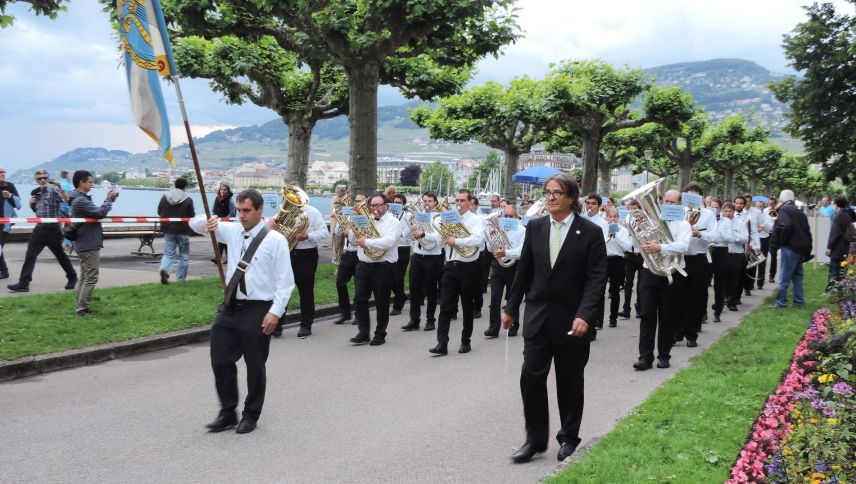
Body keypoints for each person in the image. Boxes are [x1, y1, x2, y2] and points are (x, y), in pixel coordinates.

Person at [502, 173, 607, 463]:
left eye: (556, 193)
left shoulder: (590, 232)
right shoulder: (535, 227)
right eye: (547, 192)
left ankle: (568, 437)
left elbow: (597, 279)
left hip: (572, 320)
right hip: (537, 316)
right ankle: (535, 440)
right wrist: (511, 308)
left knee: (569, 381)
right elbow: (524, 271)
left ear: (571, 198)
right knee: (531, 377)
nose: (550, 197)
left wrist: (586, 314)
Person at [190, 189, 295, 435]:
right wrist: (208, 222)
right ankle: (227, 412)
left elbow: (285, 282)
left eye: (247, 211)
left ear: (260, 210)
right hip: (231, 306)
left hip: (259, 308)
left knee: (255, 365)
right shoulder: (232, 230)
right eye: (239, 210)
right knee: (221, 360)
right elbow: (194, 224)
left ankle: (251, 414)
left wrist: (275, 313)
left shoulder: (275, 240)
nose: (242, 215)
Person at [634, 190, 691, 371]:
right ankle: (645, 357)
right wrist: (637, 229)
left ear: (679, 204)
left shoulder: (684, 224)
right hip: (649, 270)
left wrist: (661, 246)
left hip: (672, 272)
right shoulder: (651, 221)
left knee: (667, 316)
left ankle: (664, 356)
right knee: (646, 315)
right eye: (665, 201)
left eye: (672, 202)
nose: (669, 204)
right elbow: (637, 244)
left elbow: (684, 246)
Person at [427, 189, 485, 355]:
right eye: (456, 201)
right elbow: (440, 242)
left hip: (468, 267)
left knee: (467, 306)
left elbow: (478, 240)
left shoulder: (476, 220)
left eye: (462, 200)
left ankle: (465, 341)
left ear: (469, 202)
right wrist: (435, 234)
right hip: (450, 266)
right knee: (445, 306)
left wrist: (456, 240)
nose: (458, 204)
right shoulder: (448, 218)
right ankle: (442, 344)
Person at [273, 183, 328, 339]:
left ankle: (306, 325)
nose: (291, 199)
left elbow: (324, 232)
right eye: (289, 196)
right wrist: (272, 224)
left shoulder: (313, 212)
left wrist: (308, 236)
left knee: (305, 292)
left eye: (295, 195)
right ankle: (277, 326)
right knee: (283, 291)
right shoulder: (283, 212)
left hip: (306, 255)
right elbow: (274, 228)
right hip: (287, 254)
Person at [8, 170, 77, 293]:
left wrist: (60, 187)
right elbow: (39, 213)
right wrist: (31, 205)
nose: (42, 180)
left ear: (48, 178)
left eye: (44, 177)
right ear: (36, 180)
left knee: (61, 256)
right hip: (39, 229)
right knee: (30, 256)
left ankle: (72, 277)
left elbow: (66, 200)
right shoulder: (37, 194)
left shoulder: (54, 191)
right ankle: (24, 283)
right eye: (39, 178)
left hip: (53, 230)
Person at [348, 193, 399, 346]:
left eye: (378, 205)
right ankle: (363, 332)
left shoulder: (393, 222)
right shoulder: (365, 219)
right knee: (359, 299)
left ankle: (380, 334)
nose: (374, 208)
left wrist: (367, 242)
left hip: (383, 267)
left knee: (381, 302)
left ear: (386, 206)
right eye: (372, 205)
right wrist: (353, 228)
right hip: (363, 265)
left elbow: (388, 242)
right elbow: (352, 241)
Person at [68, 170, 118, 316]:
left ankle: (80, 304)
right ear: (81, 183)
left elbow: (96, 212)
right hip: (88, 242)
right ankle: (83, 309)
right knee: (91, 277)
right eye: (90, 181)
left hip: (84, 242)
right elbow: (100, 213)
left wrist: (109, 201)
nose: (92, 184)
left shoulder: (78, 198)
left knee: (85, 276)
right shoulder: (81, 201)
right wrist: (108, 199)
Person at [676, 183, 719, 347]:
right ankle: (677, 332)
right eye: (688, 195)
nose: (691, 199)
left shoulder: (708, 214)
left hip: (698, 258)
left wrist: (699, 233)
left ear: (700, 197)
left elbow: (715, 236)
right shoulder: (679, 211)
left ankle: (692, 334)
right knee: (678, 297)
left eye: (695, 195)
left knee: (695, 298)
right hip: (680, 258)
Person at [402, 191, 443, 332]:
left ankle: (430, 320)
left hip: (433, 257)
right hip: (418, 256)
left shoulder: (438, 218)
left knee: (431, 290)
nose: (426, 204)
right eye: (424, 201)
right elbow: (407, 237)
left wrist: (424, 233)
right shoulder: (418, 216)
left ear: (435, 202)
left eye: (429, 201)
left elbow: (439, 238)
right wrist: (412, 224)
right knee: (414, 289)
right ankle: (414, 320)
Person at [483, 204, 525, 337]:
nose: (507, 218)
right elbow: (490, 249)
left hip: (514, 267)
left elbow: (521, 251)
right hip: (497, 266)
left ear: (516, 217)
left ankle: (513, 325)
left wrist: (506, 252)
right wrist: (491, 238)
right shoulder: (497, 228)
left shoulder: (522, 230)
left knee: (513, 297)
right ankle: (493, 327)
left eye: (510, 216)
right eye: (505, 216)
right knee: (494, 298)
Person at [770, 189, 812, 308]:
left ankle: (781, 302)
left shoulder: (783, 210)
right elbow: (807, 231)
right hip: (801, 247)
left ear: (781, 200)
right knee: (797, 276)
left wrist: (781, 242)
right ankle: (799, 301)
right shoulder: (800, 212)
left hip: (790, 247)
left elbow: (785, 225)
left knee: (785, 276)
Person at [332, 192, 366, 325]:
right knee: (340, 283)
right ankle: (345, 313)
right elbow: (337, 233)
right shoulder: (350, 215)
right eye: (356, 201)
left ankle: (359, 314)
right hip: (348, 255)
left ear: (365, 203)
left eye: (360, 201)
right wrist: (342, 223)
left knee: (360, 287)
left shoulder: (368, 217)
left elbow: (363, 236)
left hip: (360, 255)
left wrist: (350, 232)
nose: (357, 203)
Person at [157, 177, 196, 284]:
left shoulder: (165, 197)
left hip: (168, 229)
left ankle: (164, 269)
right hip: (183, 230)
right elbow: (192, 216)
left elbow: (159, 210)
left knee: (168, 253)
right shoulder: (188, 200)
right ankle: (181, 279)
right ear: (185, 187)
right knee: (184, 255)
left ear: (175, 185)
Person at [581, 193, 609, 330]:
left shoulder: (603, 223)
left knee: (597, 292)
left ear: (599, 206)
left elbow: (600, 243)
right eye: (588, 203)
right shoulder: (580, 219)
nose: (590, 206)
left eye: (593, 203)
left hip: (594, 261)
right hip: (580, 261)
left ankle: (597, 321)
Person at [603, 207, 631, 328]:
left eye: (615, 217)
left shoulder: (623, 230)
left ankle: (613, 318)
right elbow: (598, 245)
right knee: (599, 292)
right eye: (610, 217)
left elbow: (627, 247)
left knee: (615, 291)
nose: (613, 219)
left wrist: (616, 236)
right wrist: (608, 236)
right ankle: (598, 319)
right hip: (603, 260)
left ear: (618, 218)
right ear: (607, 217)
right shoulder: (602, 228)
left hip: (617, 260)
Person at [619, 199, 643, 320]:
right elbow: (626, 236)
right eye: (631, 208)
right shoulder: (628, 218)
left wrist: (640, 227)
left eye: (635, 207)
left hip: (642, 255)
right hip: (630, 254)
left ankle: (639, 308)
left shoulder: (644, 219)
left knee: (641, 284)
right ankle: (626, 309)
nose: (633, 210)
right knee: (628, 283)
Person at [825, 195, 855, 290]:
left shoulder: (837, 216)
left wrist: (829, 247)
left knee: (834, 270)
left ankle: (831, 291)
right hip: (845, 247)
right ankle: (841, 289)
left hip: (837, 248)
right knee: (842, 271)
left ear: (836, 204)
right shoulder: (847, 215)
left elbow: (834, 234)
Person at [0, 165, 22, 280]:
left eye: (4, 172)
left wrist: (10, 196)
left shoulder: (9, 186)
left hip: (4, 224)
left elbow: (19, 205)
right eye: (0, 172)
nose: (3, 174)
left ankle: (4, 271)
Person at [390, 193, 411, 315]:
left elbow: (406, 234)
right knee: (391, 277)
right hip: (392, 248)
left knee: (398, 277)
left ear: (403, 204)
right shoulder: (390, 215)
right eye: (395, 202)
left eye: (399, 203)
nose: (396, 204)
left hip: (403, 248)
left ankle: (398, 306)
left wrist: (395, 230)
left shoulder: (407, 216)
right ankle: (401, 296)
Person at [212, 184, 236, 262]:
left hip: (227, 223)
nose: (223, 191)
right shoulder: (217, 199)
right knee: (221, 240)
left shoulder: (230, 200)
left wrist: (225, 220)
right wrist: (215, 217)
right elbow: (213, 210)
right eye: (221, 189)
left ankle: (222, 258)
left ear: (228, 191)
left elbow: (232, 213)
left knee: (225, 240)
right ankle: (220, 258)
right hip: (219, 222)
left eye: (225, 189)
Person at [753, 199, 774, 290]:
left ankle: (761, 282)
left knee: (763, 261)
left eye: (761, 206)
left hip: (765, 238)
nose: (759, 208)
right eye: (757, 206)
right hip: (754, 240)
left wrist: (764, 226)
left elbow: (773, 226)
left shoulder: (772, 212)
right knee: (753, 261)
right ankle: (750, 283)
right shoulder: (752, 213)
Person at [330, 184, 348, 264]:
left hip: (344, 224)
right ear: (337, 191)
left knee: (342, 243)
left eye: (344, 190)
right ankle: (335, 259)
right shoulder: (335, 199)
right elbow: (335, 210)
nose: (344, 192)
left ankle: (341, 258)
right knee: (336, 243)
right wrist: (345, 210)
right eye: (342, 191)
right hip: (336, 224)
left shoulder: (346, 199)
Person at [59, 169, 74, 255]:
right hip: (64, 210)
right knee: (67, 228)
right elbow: (68, 200)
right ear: (67, 175)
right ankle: (66, 246)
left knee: (59, 228)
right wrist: (69, 210)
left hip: (57, 210)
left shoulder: (58, 184)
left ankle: (59, 245)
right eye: (69, 175)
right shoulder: (67, 185)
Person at [765, 196, 779, 283]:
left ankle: (772, 275)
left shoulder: (776, 211)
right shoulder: (764, 211)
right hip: (765, 235)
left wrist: (773, 211)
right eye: (769, 203)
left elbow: (775, 219)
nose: (770, 205)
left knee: (773, 256)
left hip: (773, 235)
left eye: (772, 204)